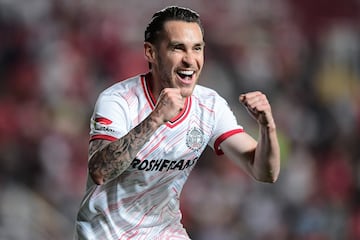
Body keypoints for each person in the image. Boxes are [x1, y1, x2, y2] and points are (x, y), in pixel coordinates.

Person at [74, 5, 280, 240]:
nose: (190, 60)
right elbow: (100, 171)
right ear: (150, 52)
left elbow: (264, 172)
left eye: (197, 49)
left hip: (164, 232)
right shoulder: (118, 100)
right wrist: (155, 119)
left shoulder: (209, 105)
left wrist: (267, 127)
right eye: (178, 48)